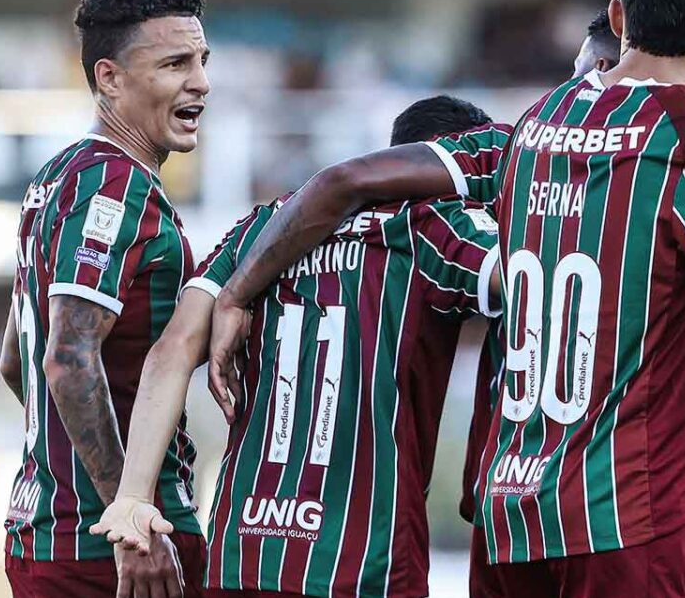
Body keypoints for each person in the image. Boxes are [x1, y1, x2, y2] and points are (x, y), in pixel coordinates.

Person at [201, 0, 685, 597]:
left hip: (508, 521)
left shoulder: (531, 128)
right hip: (625, 522)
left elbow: (343, 181)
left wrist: (235, 294)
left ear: (618, 18)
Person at [91, 95, 505, 598]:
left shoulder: (263, 227)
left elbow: (171, 352)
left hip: (243, 554)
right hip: (361, 565)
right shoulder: (433, 224)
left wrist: (133, 498)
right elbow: (534, 282)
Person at [0, 0, 210, 598]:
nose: (200, 82)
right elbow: (67, 360)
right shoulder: (114, 186)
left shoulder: (58, 177)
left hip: (44, 530)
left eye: (201, 60)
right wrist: (130, 519)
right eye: (174, 64)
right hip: (110, 549)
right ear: (109, 78)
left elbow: (16, 361)